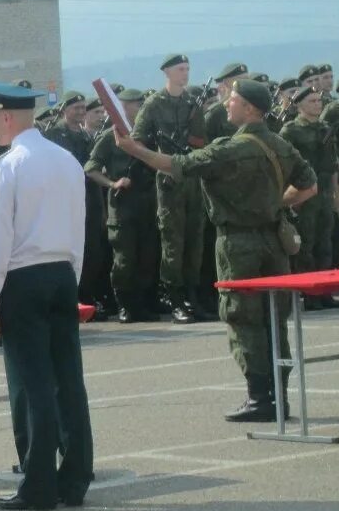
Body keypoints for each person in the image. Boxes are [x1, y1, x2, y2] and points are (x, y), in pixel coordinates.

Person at [117, 79, 318, 422]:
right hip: (274, 242)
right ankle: (279, 397)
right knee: (274, 319)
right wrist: (275, 206)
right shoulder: (282, 145)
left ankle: (259, 398)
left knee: (242, 318)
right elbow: (309, 186)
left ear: (251, 108)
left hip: (238, 243)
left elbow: (176, 165)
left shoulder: (229, 149)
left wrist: (134, 149)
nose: (226, 103)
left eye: (233, 99)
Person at [0, 80, 93, 511]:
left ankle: (39, 484)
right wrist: (72, 277)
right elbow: (78, 227)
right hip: (62, 273)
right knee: (69, 380)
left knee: (34, 384)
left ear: (6, 117)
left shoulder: (8, 167)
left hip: (23, 280)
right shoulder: (67, 160)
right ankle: (75, 477)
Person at [133, 54, 208, 324]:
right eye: (180, 69)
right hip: (168, 182)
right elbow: (137, 141)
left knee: (195, 241)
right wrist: (159, 161)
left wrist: (192, 142)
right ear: (167, 72)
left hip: (192, 178)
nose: (185, 73)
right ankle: (174, 298)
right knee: (173, 243)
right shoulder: (154, 104)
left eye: (188, 69)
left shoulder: (193, 102)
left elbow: (203, 141)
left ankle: (192, 296)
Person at [85, 89, 159, 321]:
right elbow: (91, 168)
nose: (141, 110)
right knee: (124, 260)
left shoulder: (148, 135)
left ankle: (142, 304)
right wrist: (112, 183)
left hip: (147, 202)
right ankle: (125, 304)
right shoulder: (111, 136)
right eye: (137, 106)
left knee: (148, 256)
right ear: (124, 108)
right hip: (123, 206)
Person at [280, 86, 339, 309]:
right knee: (305, 245)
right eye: (313, 101)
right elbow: (285, 166)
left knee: (325, 243)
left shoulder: (326, 128)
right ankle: (310, 294)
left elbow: (333, 165)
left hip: (324, 192)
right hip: (304, 194)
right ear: (300, 105)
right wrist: (290, 198)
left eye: (319, 101)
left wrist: (335, 194)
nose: (318, 104)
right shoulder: (290, 131)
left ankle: (324, 292)